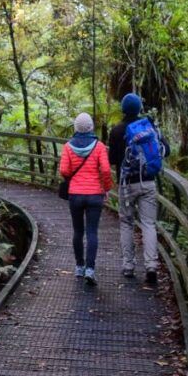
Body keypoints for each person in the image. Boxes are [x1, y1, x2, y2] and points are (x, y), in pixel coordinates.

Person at [108, 93, 169, 285]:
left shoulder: (117, 130)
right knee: (148, 224)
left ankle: (128, 266)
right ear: (139, 109)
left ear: (124, 109)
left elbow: (111, 160)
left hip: (126, 184)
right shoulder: (148, 126)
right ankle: (151, 266)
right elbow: (166, 149)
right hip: (148, 182)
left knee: (126, 222)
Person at [59, 112, 112, 286]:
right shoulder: (99, 147)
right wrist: (107, 188)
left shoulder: (68, 147)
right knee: (92, 232)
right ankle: (90, 269)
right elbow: (105, 170)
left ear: (76, 127)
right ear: (91, 127)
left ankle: (79, 267)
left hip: (75, 194)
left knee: (78, 231)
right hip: (95, 195)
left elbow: (64, 170)